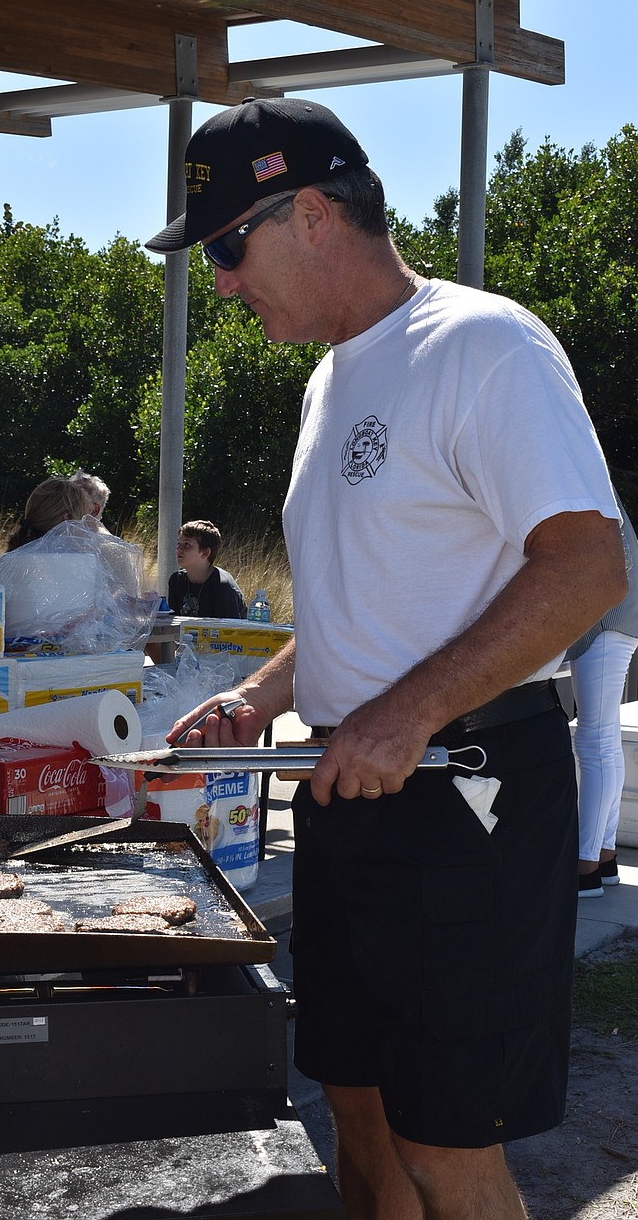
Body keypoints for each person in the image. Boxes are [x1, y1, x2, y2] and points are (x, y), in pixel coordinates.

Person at [146, 97, 627, 1220]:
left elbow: (586, 567)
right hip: (349, 785)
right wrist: (261, 698)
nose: (217, 281)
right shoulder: (328, 378)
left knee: (444, 1138)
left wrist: (404, 716)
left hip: (468, 790)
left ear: (311, 213)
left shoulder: (480, 344)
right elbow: (363, 609)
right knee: (351, 1101)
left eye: (225, 246)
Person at [569, 489, 638, 898]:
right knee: (604, 741)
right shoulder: (604, 487)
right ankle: (603, 857)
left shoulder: (588, 484)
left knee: (594, 742)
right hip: (619, 621)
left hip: (603, 623)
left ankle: (585, 866)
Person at [168, 520, 247, 618]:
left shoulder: (223, 587)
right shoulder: (176, 580)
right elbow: (172, 622)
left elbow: (230, 630)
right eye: (179, 544)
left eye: (187, 545)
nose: (178, 550)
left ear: (205, 553)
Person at [2, 476, 90, 552]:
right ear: (67, 519)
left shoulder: (12, 555)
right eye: (83, 518)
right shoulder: (80, 562)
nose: (86, 527)